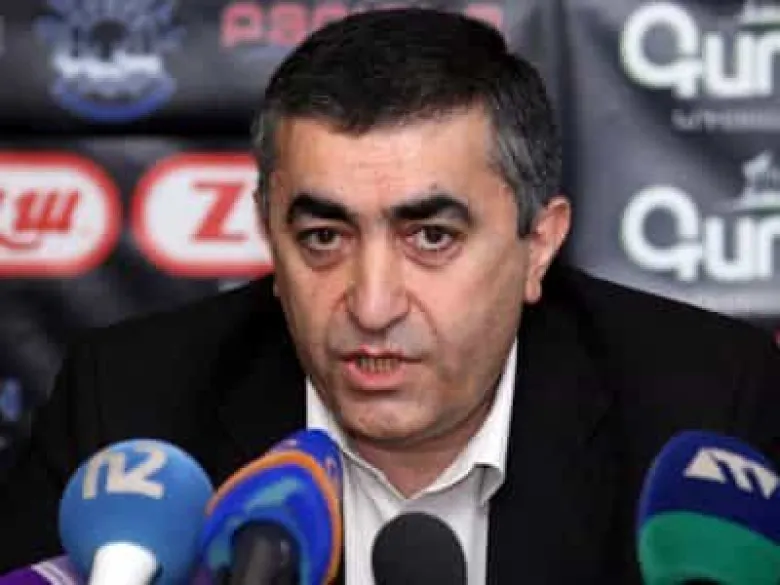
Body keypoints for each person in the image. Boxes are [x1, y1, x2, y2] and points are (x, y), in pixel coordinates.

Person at [1, 7, 779, 584]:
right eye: (323, 237)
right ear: (269, 233)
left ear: (538, 244)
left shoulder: (709, 406)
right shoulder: (129, 407)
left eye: (431, 236)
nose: (372, 306)